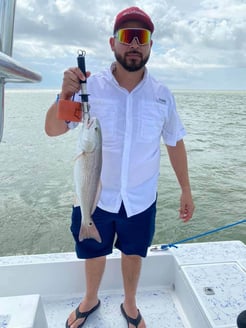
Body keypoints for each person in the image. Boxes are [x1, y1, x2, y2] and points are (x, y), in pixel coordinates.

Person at [45, 6, 195, 328]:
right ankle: (90, 299)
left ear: (151, 46)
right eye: (127, 36)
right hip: (95, 195)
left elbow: (174, 141)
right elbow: (53, 129)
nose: (134, 44)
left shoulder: (162, 95)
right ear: (113, 43)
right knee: (94, 252)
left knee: (133, 253)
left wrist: (185, 188)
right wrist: (65, 93)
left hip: (141, 199)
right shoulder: (89, 89)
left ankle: (130, 304)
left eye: (142, 38)